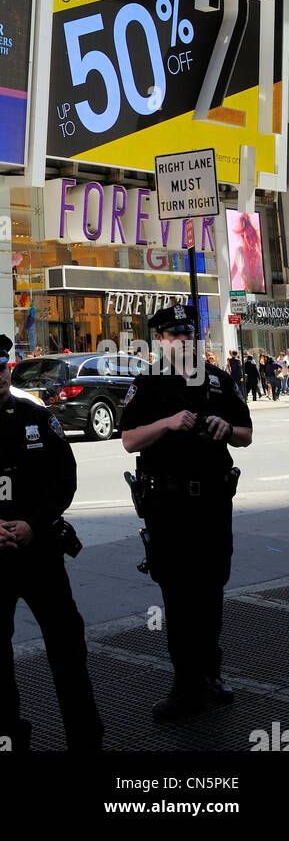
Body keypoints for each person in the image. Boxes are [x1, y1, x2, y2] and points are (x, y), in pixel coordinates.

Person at [0, 333, 104, 752]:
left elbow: (64, 480)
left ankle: (85, 738)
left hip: (41, 552)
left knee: (67, 645)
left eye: (2, 368)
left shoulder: (38, 418)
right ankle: (9, 735)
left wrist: (35, 523)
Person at [120, 304, 252, 721]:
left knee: (211, 590)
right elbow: (129, 440)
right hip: (169, 506)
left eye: (187, 333)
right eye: (173, 335)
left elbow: (246, 433)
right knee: (177, 595)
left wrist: (226, 429)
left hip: (212, 503)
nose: (182, 341)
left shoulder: (218, 380)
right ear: (159, 340)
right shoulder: (148, 385)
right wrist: (169, 423)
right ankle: (184, 684)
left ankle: (209, 673)